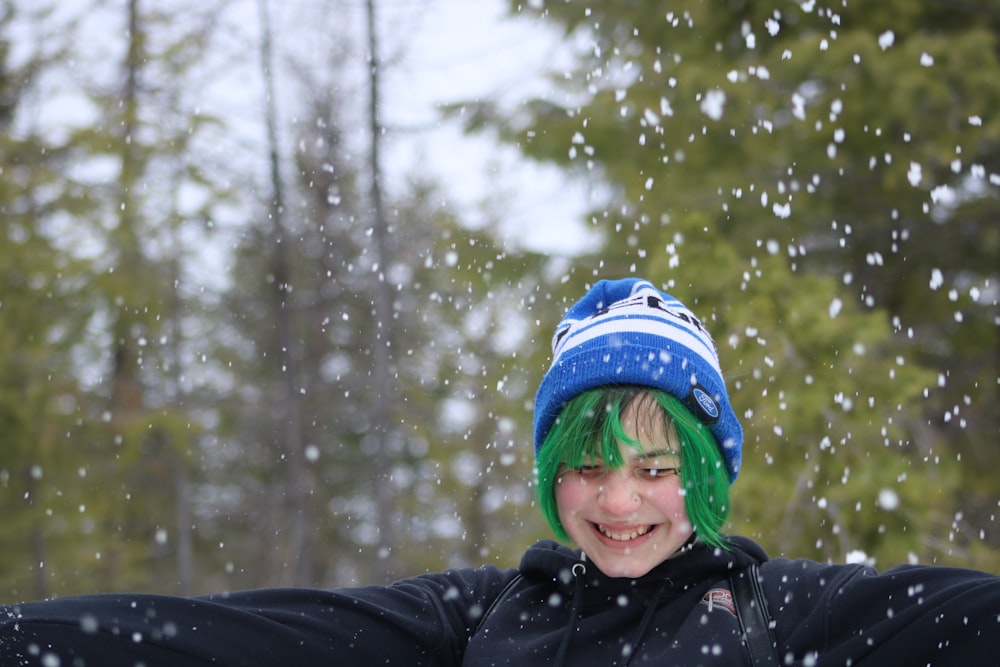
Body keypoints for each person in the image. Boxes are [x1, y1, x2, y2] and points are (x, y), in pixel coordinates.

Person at [1, 277, 997, 666]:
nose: (617, 501)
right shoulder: (480, 617)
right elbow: (241, 638)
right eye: (587, 466)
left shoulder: (785, 611)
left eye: (654, 467)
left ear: (702, 475)